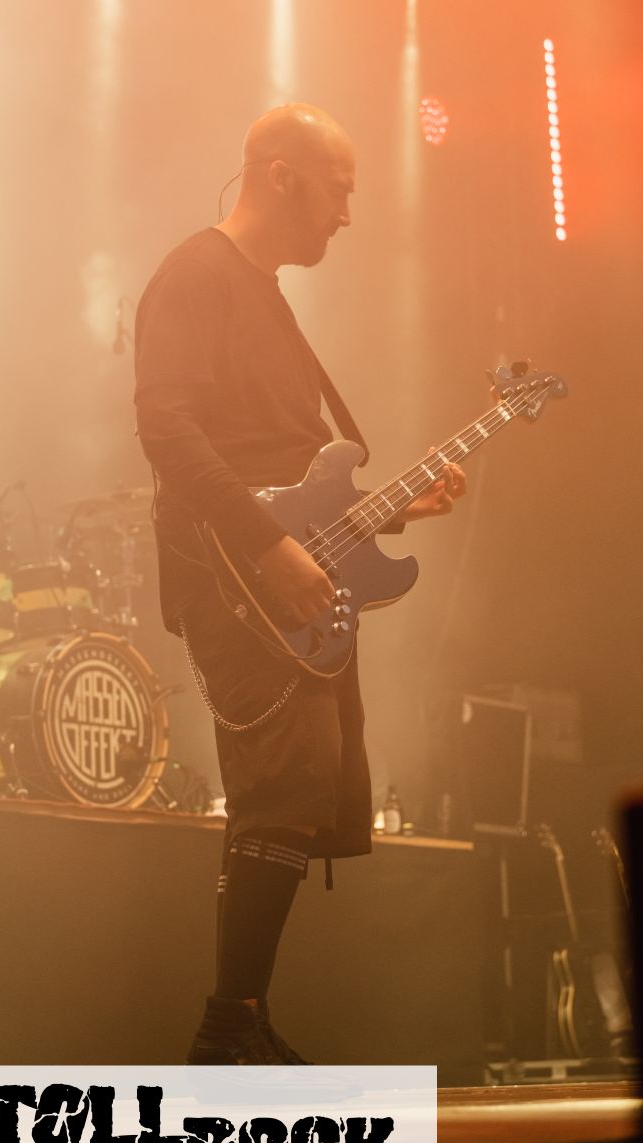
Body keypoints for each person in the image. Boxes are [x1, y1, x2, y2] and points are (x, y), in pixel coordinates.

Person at [134, 103, 466, 1065]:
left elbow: (286, 469)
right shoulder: (195, 273)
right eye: (340, 189)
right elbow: (166, 429)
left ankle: (241, 1017)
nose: (348, 213)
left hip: (273, 568)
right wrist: (269, 550)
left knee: (300, 784)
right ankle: (224, 1031)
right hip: (235, 575)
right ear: (282, 176)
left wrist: (393, 513)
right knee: (281, 781)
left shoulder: (266, 295)